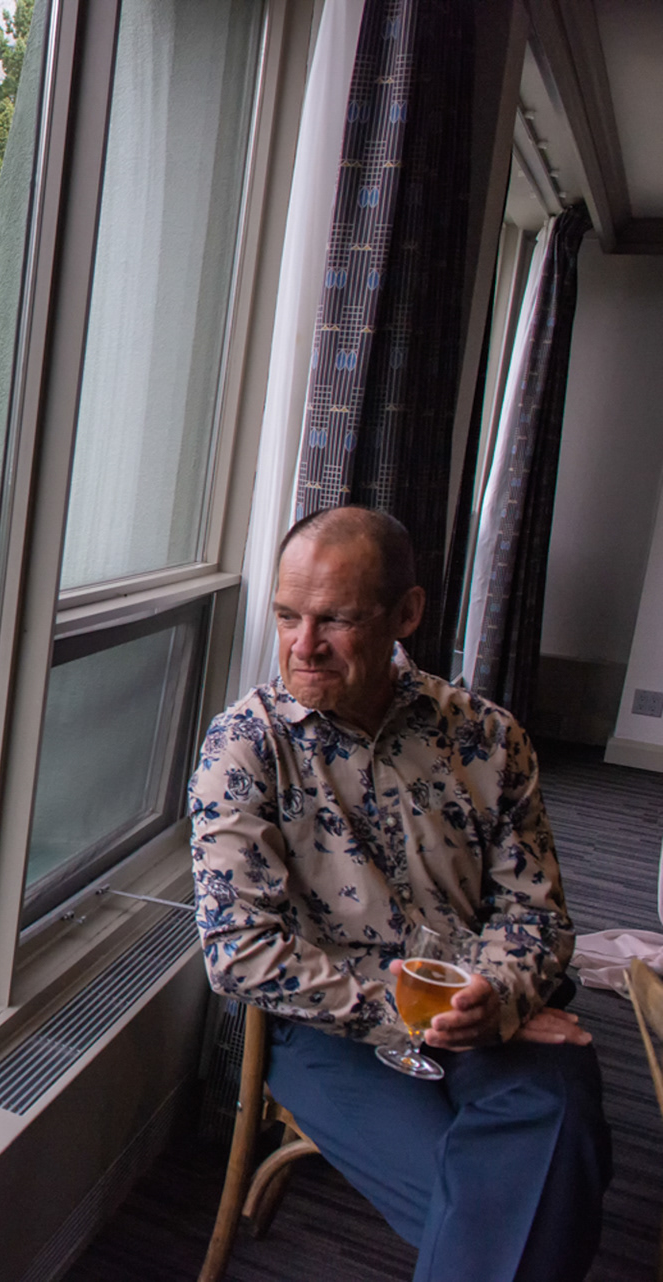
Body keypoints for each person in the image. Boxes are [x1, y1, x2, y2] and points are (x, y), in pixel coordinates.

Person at [190, 505, 610, 1282]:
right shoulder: (245, 747)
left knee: (541, 1139)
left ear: (405, 614)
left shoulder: (487, 737)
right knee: (519, 1199)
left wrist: (502, 995)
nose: (301, 646)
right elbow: (238, 954)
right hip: (331, 1031)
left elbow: (536, 913)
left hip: (489, 1006)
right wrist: (408, 1012)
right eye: (287, 616)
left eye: (335, 620)